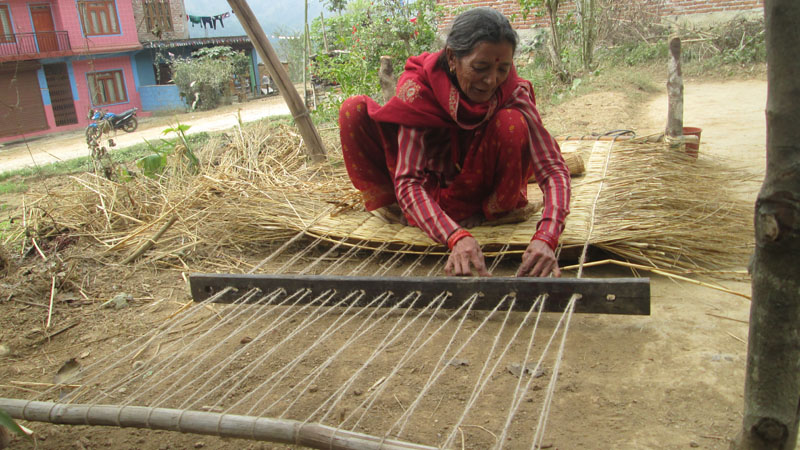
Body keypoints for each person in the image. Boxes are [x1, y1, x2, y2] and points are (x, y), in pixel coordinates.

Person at [338, 7, 571, 278]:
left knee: (512, 123)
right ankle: (405, 209)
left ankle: (487, 212)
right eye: (480, 68)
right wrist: (455, 236)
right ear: (451, 57)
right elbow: (408, 181)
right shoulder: (419, 89)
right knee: (352, 110)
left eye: (502, 69)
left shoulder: (511, 91)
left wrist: (547, 236)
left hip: (476, 188)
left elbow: (553, 169)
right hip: (426, 180)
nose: (492, 80)